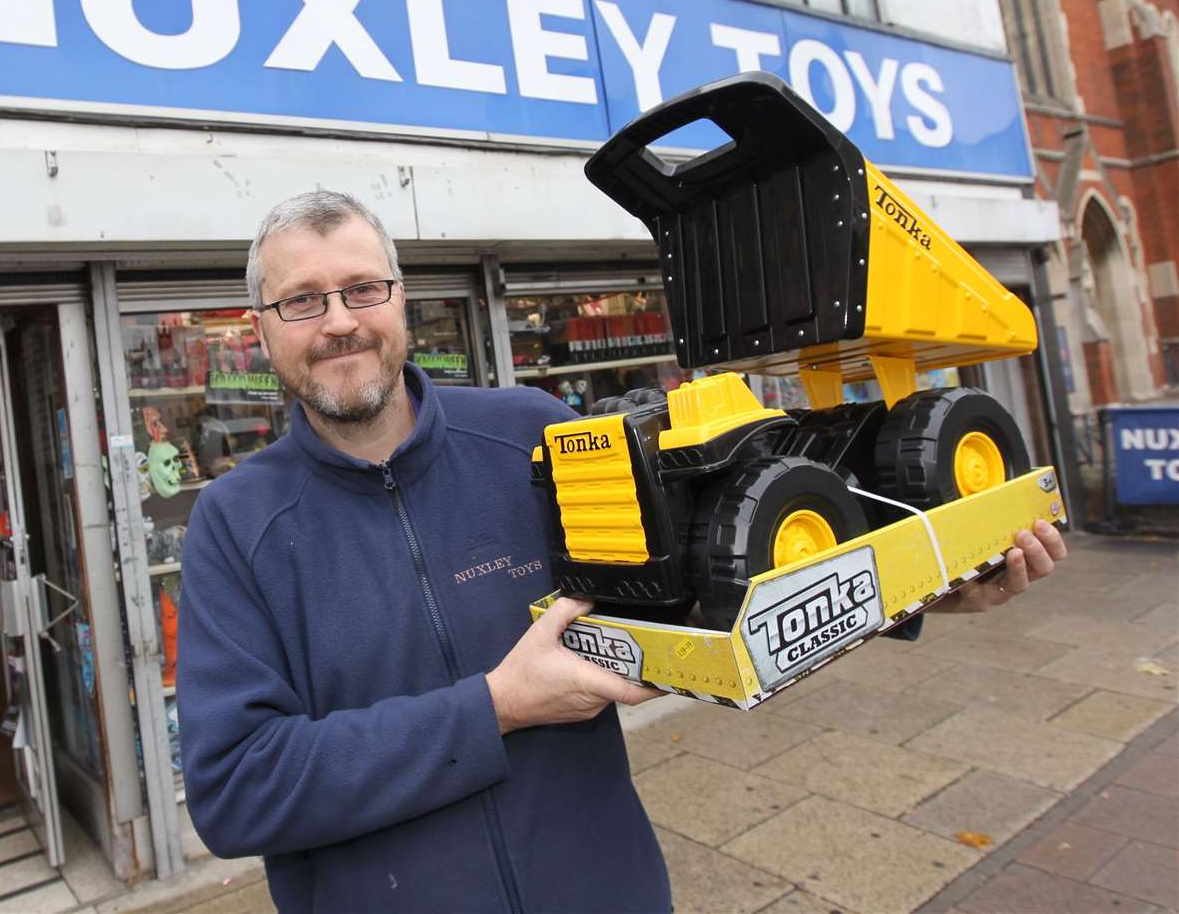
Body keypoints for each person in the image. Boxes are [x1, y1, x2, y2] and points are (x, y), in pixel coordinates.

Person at [177, 191, 1068, 914]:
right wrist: (494, 708)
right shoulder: (234, 522)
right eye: (303, 300)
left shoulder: (533, 434)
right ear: (262, 327)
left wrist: (929, 585)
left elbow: (707, 584)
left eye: (363, 288)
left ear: (401, 299)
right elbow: (235, 790)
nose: (339, 322)